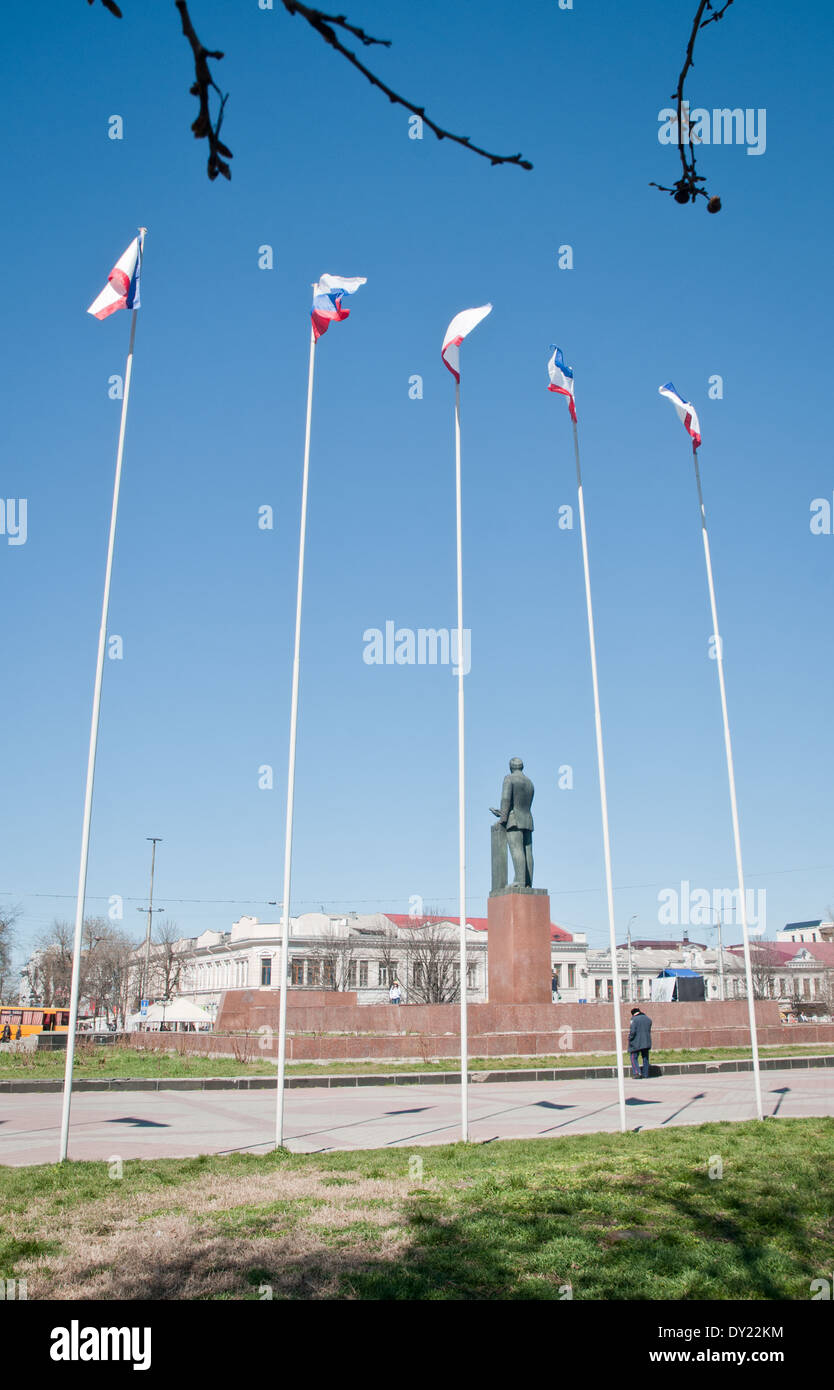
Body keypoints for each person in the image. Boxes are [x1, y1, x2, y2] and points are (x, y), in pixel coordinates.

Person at [628, 1006, 653, 1078]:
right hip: (646, 1041)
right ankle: (645, 1074)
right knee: (645, 1057)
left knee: (633, 1057)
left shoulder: (634, 1019)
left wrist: (630, 1038)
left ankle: (637, 1072)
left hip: (636, 1042)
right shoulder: (648, 1019)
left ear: (633, 1014)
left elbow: (632, 1031)